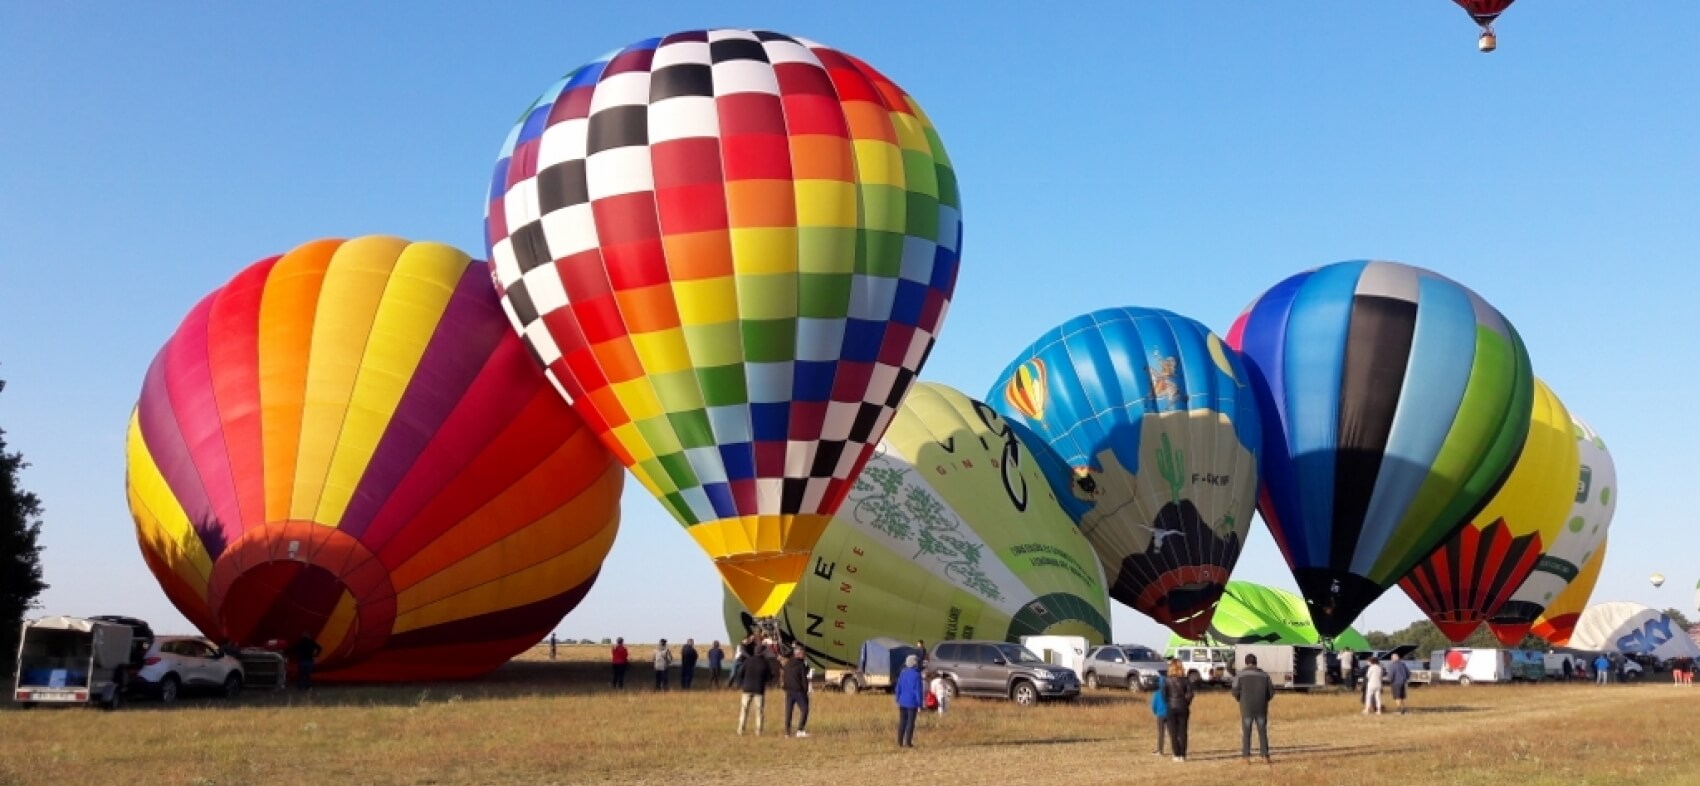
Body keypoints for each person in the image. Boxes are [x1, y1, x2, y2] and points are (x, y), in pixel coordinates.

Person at [1231, 653, 1274, 763]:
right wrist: (1264, 700)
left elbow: (1235, 690)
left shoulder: (1240, 675)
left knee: (1246, 732)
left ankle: (1246, 756)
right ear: (1256, 662)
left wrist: (1240, 699)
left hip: (1246, 707)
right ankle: (1265, 755)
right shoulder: (1264, 675)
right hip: (1261, 707)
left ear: (1246, 662)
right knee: (1262, 732)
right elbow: (1271, 692)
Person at [737, 642, 774, 736]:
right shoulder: (765, 663)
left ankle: (741, 730)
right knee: (759, 711)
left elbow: (740, 673)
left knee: (744, 710)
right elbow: (769, 678)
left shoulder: (748, 661)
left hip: (746, 689)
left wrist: (742, 683)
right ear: (762, 653)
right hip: (759, 689)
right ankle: (758, 731)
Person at [1162, 658, 1194, 762]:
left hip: (1171, 707)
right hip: (1183, 707)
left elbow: (1164, 695)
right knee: (1183, 731)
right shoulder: (1186, 680)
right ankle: (1183, 755)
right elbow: (1190, 694)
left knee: (1173, 732)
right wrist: (1186, 703)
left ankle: (1176, 754)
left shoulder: (1166, 680)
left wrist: (1168, 703)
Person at [895, 654, 924, 747]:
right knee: (910, 722)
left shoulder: (903, 673)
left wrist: (897, 699)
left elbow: (898, 687)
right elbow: (918, 691)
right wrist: (920, 704)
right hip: (912, 702)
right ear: (914, 663)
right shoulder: (917, 675)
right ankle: (908, 742)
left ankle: (899, 742)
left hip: (902, 701)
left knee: (902, 721)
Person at [782, 644, 811, 738]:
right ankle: (800, 729)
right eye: (803, 653)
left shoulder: (787, 664)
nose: (804, 655)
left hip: (788, 691)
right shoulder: (801, 665)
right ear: (798, 653)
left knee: (788, 711)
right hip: (798, 691)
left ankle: (787, 732)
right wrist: (806, 690)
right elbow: (803, 678)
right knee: (805, 709)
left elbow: (784, 677)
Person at [1150, 670, 1168, 756]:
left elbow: (1153, 705)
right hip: (1169, 713)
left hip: (1160, 714)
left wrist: (1155, 712)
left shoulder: (1156, 693)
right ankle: (1176, 750)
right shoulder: (1170, 692)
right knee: (1172, 732)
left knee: (1161, 733)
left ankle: (1160, 750)